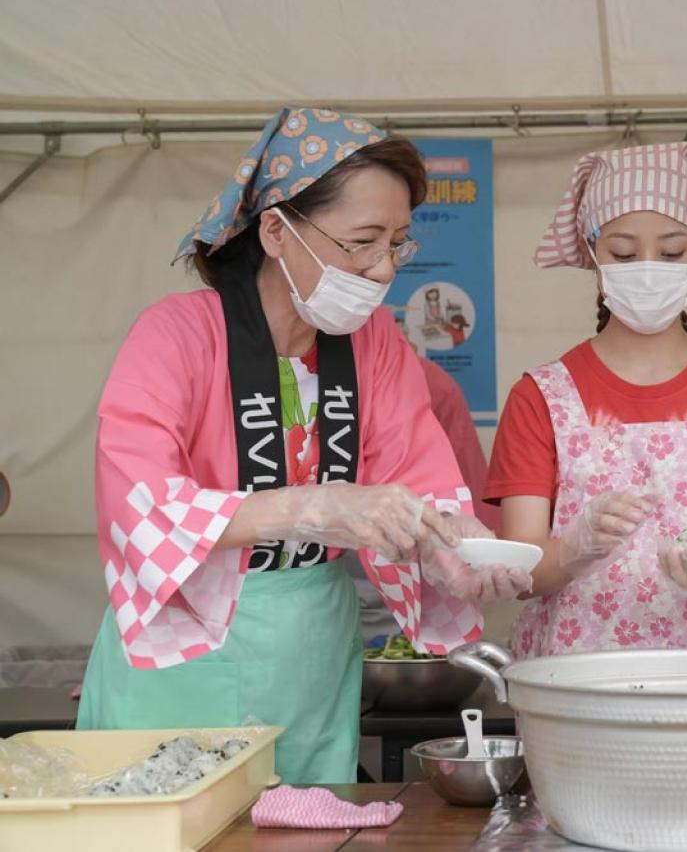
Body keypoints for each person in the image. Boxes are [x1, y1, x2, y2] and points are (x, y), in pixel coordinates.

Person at [76, 107, 531, 783]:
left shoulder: (375, 345)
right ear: (276, 230)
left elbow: (419, 475)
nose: (382, 271)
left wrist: (450, 552)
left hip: (312, 645)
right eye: (361, 242)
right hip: (187, 645)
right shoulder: (175, 335)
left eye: (397, 244)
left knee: (311, 824)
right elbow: (140, 503)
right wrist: (312, 507)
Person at [487, 142, 687, 659]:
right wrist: (577, 546)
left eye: (671, 252)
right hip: (575, 675)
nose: (648, 269)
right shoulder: (540, 397)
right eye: (623, 253)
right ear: (592, 251)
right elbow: (523, 575)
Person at [346, 355, 502, 644]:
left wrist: (476, 551)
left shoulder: (434, 386)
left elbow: (468, 480)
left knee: (395, 652)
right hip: (321, 567)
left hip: (412, 560)